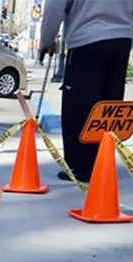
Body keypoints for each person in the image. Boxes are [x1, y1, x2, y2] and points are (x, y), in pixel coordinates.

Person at [40, 0, 133, 183]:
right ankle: (102, 161)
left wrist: (47, 40)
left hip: (86, 37)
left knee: (79, 105)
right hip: (121, 38)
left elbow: (54, 6)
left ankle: (80, 166)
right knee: (109, 104)